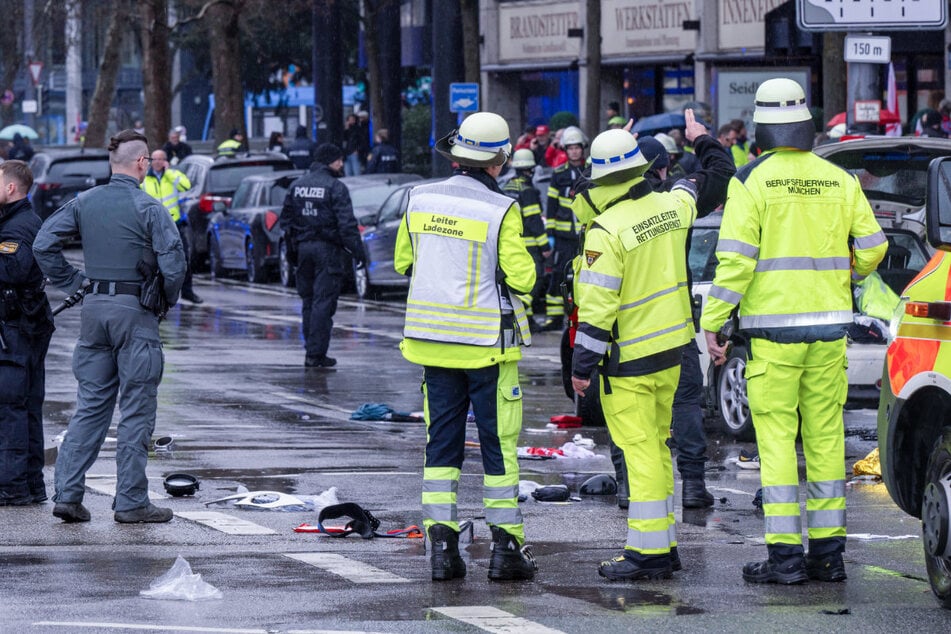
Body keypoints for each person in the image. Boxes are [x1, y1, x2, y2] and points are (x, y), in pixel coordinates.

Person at [700, 78, 888, 584]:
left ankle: (785, 559)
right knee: (826, 439)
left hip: (772, 338)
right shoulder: (838, 178)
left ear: (761, 126)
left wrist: (713, 322)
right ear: (806, 123)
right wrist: (844, 278)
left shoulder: (750, 181)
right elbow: (873, 247)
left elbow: (735, 264)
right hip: (829, 334)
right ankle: (829, 556)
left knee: (779, 443)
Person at [394, 111, 538, 582]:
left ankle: (442, 550)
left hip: (432, 346)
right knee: (498, 450)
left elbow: (402, 262)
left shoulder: (419, 197)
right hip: (485, 349)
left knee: (442, 448)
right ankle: (505, 550)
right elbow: (524, 277)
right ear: (499, 160)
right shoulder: (501, 209)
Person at [570, 111, 710, 581]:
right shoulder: (672, 207)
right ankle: (663, 544)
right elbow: (693, 186)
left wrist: (581, 367)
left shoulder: (606, 231)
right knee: (659, 446)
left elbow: (596, 309)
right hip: (672, 352)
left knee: (640, 452)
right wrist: (701, 142)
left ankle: (646, 552)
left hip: (627, 362)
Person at [33, 129, 187, 524]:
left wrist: (72, 282)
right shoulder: (149, 207)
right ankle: (132, 501)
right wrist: (165, 299)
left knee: (90, 407)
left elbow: (43, 243)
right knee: (136, 410)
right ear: (141, 163)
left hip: (94, 312)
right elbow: (174, 265)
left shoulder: (85, 201)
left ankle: (67, 494)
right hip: (135, 314)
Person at [279, 143, 363, 368]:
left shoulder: (297, 186)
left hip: (303, 250)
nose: (342, 164)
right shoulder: (336, 187)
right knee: (323, 303)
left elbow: (285, 221)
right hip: (327, 251)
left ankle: (311, 349)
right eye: (339, 160)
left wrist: (292, 250)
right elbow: (347, 224)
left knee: (308, 301)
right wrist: (357, 251)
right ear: (330, 161)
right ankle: (316, 354)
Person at [0, 160, 54, 506]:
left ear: (10, 188)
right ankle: (31, 484)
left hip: (16, 327)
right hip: (25, 324)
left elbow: (13, 271)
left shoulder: (17, 227)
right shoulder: (19, 220)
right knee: (26, 405)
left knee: (11, 407)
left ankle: (13, 486)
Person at [541, 125, 587, 331]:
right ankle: (553, 317)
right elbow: (551, 205)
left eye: (577, 148)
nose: (574, 151)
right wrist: (549, 233)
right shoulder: (558, 174)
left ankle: (581, 315)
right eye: (571, 148)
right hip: (563, 236)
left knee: (584, 276)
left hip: (585, 235)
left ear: (582, 149)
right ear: (565, 151)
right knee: (560, 275)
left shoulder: (589, 172)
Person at [141, 149, 202, 304]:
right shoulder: (144, 179)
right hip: (153, 226)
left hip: (174, 224)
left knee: (183, 259)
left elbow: (185, 185)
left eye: (161, 159)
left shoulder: (172, 175)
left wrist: (169, 173)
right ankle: (155, 293)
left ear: (165, 161)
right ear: (150, 161)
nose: (158, 162)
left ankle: (187, 291)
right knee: (154, 262)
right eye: (154, 159)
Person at [502, 148, 549, 326]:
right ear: (530, 170)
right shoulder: (528, 190)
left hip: (510, 243)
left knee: (517, 279)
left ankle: (526, 319)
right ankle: (519, 309)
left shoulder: (507, 186)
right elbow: (534, 221)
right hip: (529, 245)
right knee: (536, 278)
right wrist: (545, 247)